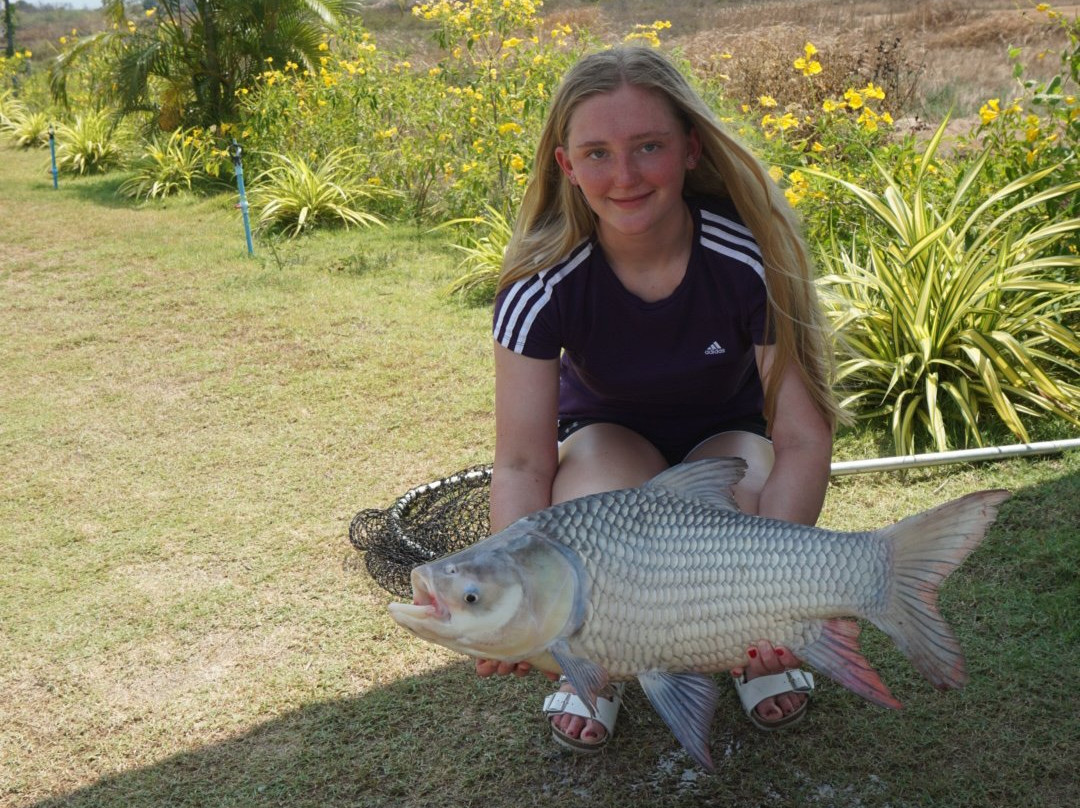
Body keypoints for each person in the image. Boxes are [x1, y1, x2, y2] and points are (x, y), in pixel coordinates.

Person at [476, 45, 842, 754]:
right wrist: (512, 592)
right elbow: (522, 461)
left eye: (649, 146)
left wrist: (781, 596)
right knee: (594, 492)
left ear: (691, 149)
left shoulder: (749, 259)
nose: (626, 176)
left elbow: (801, 436)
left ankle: (743, 637)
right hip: (610, 439)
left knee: (749, 482)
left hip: (726, 439)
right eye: (598, 153)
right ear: (566, 166)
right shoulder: (539, 285)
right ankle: (595, 665)